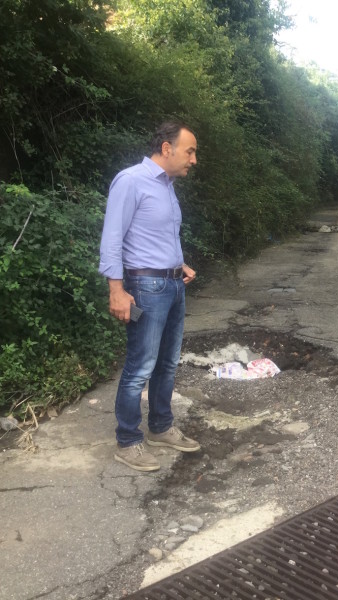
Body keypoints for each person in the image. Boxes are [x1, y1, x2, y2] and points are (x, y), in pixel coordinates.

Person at [99, 121, 201, 472]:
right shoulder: (131, 181)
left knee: (168, 363)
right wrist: (116, 290)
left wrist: (179, 264)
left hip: (172, 285)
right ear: (167, 148)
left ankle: (160, 427)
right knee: (140, 366)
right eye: (190, 151)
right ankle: (128, 441)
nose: (194, 159)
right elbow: (113, 238)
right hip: (145, 289)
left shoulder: (168, 187)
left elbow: (153, 238)